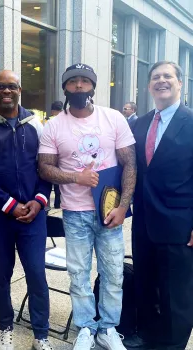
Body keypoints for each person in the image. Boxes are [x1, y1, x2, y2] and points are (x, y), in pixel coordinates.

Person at [38, 64, 136, 350]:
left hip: (109, 211)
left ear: (92, 86)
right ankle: (85, 328)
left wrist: (123, 206)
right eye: (73, 82)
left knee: (113, 273)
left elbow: (129, 163)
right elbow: (44, 168)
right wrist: (75, 177)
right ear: (65, 88)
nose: (79, 86)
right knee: (78, 274)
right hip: (75, 212)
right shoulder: (54, 125)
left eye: (84, 81)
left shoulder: (113, 118)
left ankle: (107, 329)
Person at [0, 70, 53, 350]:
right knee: (0, 273)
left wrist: (39, 200)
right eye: (1, 86)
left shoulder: (35, 124)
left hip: (33, 215)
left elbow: (45, 168)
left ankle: (41, 333)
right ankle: (5, 326)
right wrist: (10, 205)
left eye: (11, 86)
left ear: (20, 89)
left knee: (37, 274)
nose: (7, 91)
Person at [132, 61, 193, 349]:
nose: (161, 81)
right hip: (143, 224)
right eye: (156, 77)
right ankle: (150, 338)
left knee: (176, 295)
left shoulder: (191, 122)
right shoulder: (141, 123)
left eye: (168, 76)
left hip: (179, 226)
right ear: (149, 86)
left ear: (180, 83)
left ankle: (173, 345)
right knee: (147, 285)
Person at [45, 101, 63, 209]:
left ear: (52, 111)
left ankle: (49, 204)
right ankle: (58, 203)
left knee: (49, 180)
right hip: (60, 155)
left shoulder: (47, 121)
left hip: (48, 154)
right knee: (58, 182)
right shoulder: (65, 122)